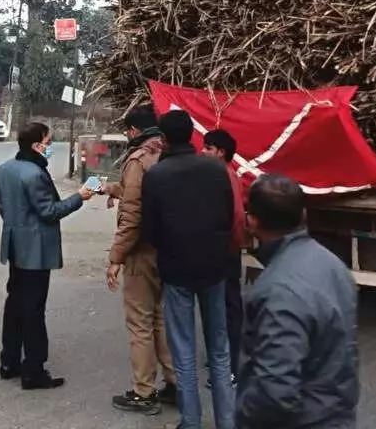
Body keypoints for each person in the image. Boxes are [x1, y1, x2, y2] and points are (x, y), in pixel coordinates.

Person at [236, 174, 359, 429]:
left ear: (252, 221)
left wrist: (244, 415)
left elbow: (275, 391)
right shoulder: (333, 265)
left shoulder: (277, 290)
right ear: (303, 215)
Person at [141, 110, 235, 429]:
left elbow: (149, 230)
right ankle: (227, 421)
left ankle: (191, 422)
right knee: (219, 351)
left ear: (164, 139)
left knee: (183, 351)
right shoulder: (215, 169)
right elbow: (226, 215)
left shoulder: (156, 174)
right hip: (214, 269)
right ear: (193, 136)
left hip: (177, 271)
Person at [0, 122, 93, 389]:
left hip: (15, 245)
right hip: (35, 251)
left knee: (14, 303)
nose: (50, 147)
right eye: (49, 143)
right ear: (37, 145)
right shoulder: (34, 174)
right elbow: (49, 211)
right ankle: (34, 370)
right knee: (33, 309)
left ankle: (10, 361)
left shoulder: (5, 169)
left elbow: (2, 205)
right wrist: (80, 197)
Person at [104, 105, 177, 416]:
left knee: (140, 323)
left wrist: (116, 257)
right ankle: (176, 383)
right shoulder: (169, 152)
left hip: (141, 251)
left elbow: (133, 214)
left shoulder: (138, 159)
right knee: (161, 319)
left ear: (133, 130)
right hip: (168, 249)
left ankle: (143, 392)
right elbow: (144, 194)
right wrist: (113, 189)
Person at [203, 129, 247, 386]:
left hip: (226, 252)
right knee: (218, 306)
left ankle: (232, 369)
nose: (203, 152)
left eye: (208, 148)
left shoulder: (226, 177)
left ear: (221, 152)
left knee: (229, 308)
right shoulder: (217, 175)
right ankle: (221, 358)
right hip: (220, 250)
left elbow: (238, 218)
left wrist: (231, 247)